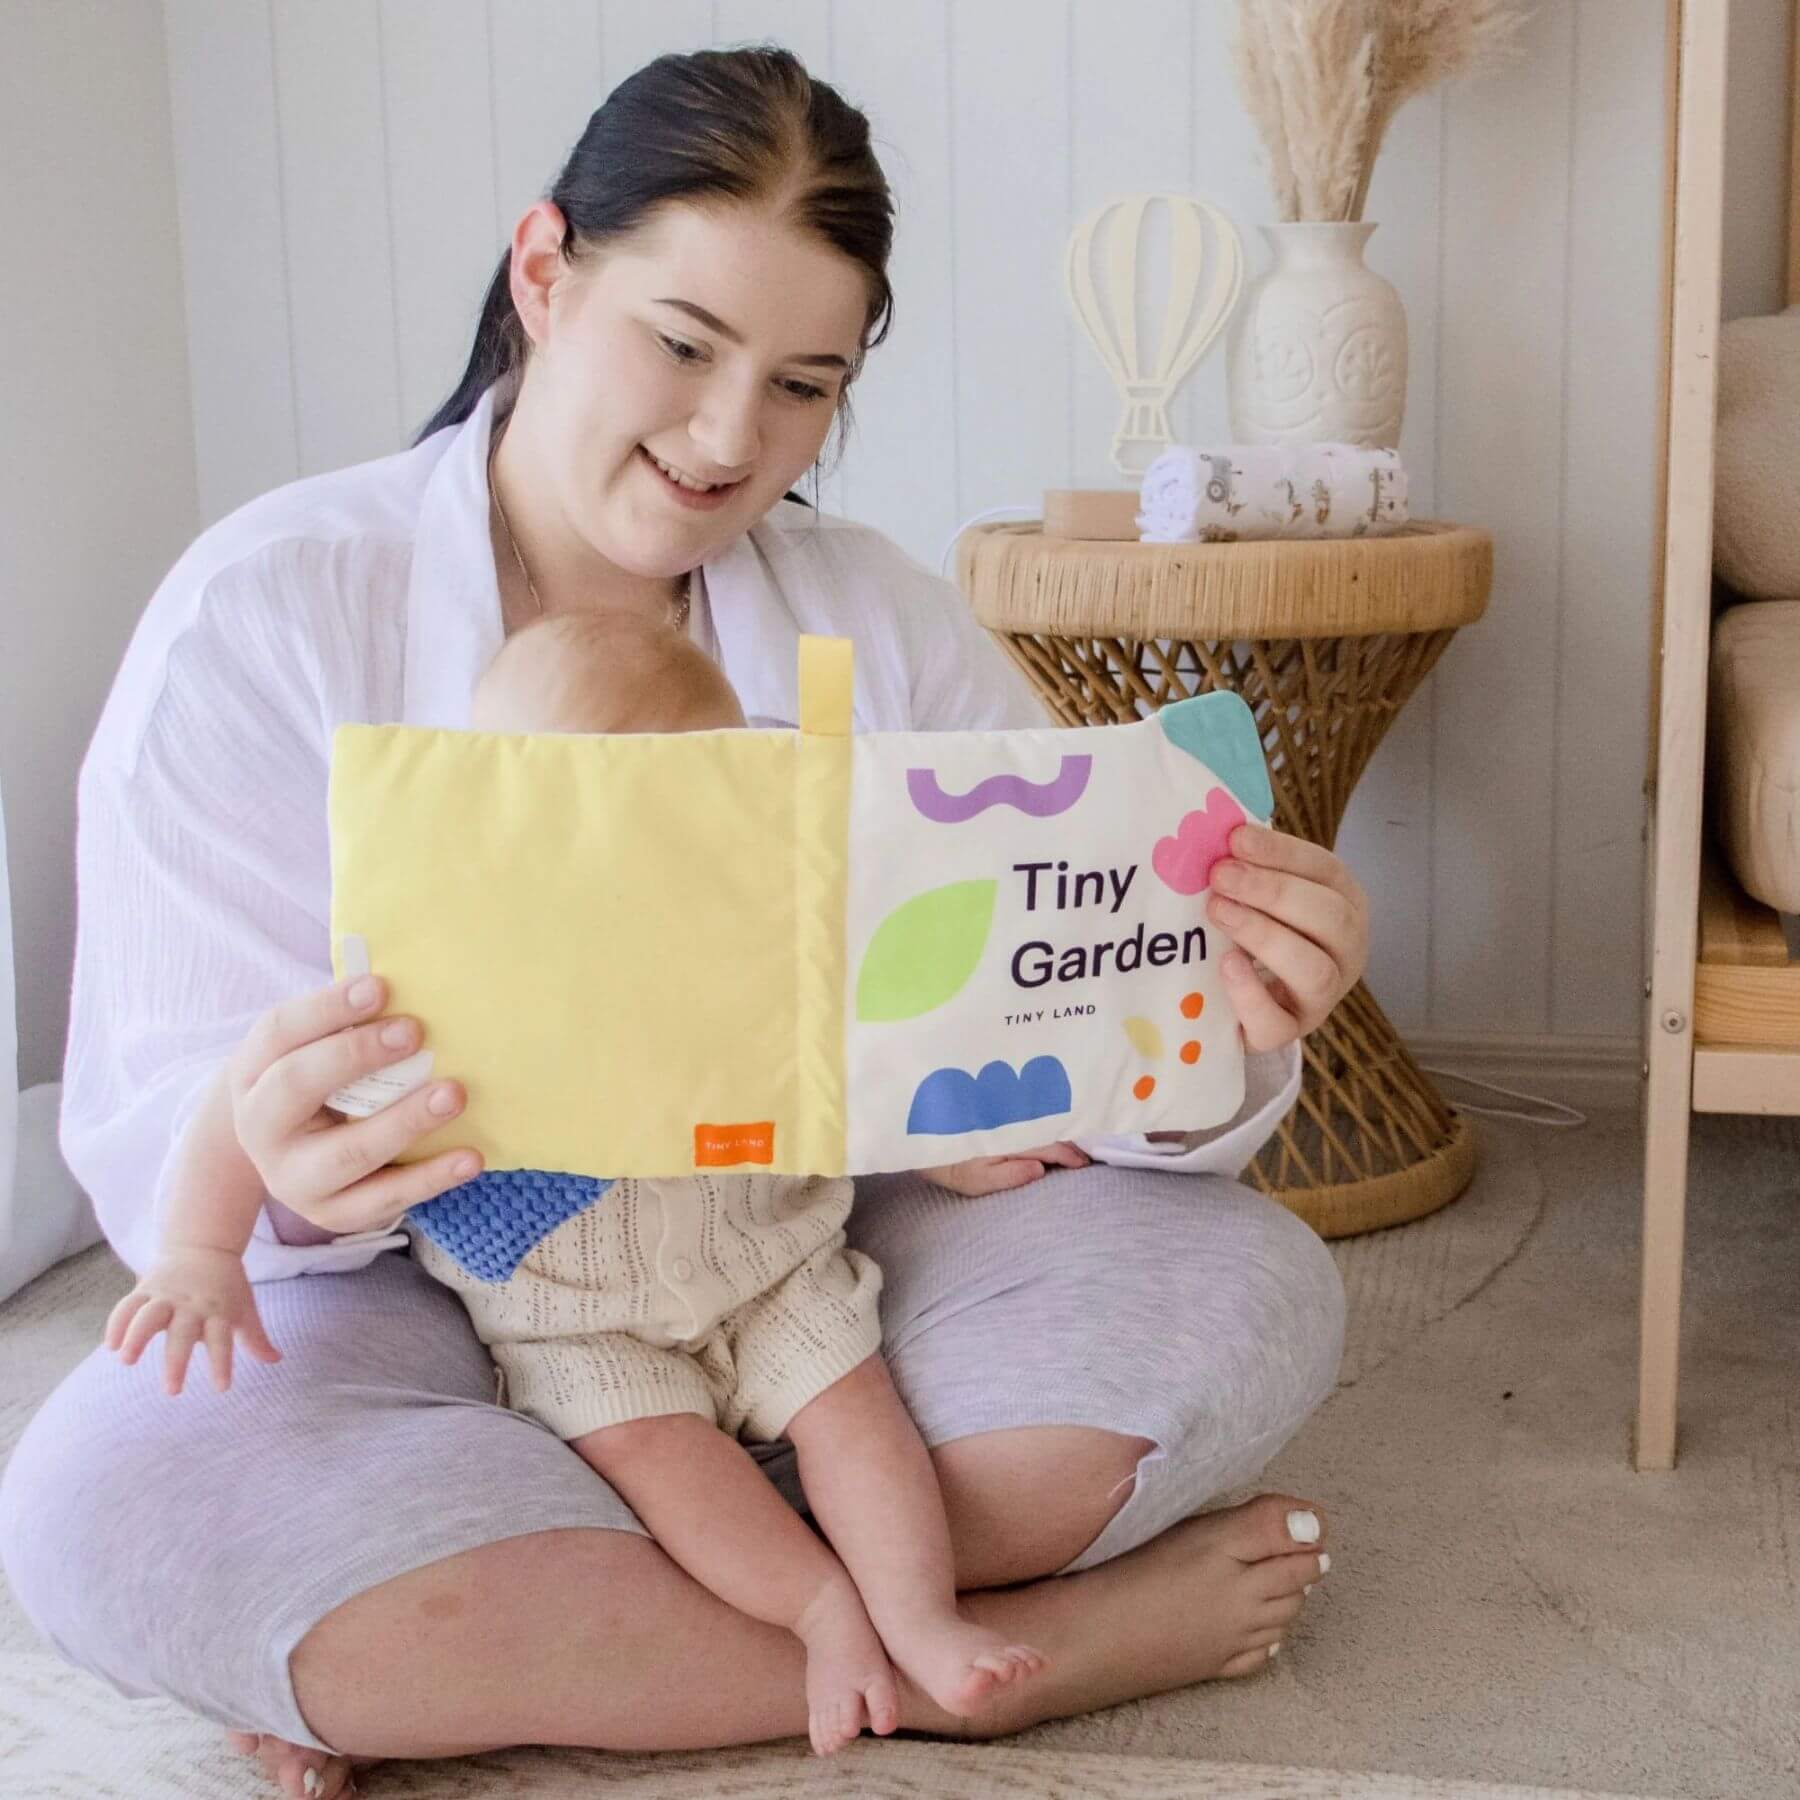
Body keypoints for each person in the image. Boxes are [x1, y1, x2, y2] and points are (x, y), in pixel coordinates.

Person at [0, 45, 1362, 1800]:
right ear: (544, 272)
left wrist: (1222, 1011)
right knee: (114, 1508)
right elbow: (160, 1137)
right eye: (683, 343)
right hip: (439, 1294)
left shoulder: (873, 613)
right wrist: (274, 1161)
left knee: (1240, 1288)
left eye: (804, 385)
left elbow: (1073, 1042)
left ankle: (502, 1634)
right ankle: (970, 1658)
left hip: (794, 1247)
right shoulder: (266, 615)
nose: (734, 440)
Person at [103, 610, 1052, 1759]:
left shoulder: (754, 938)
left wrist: (942, 1146)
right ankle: (819, 1611)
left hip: (773, 1263)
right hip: (572, 1319)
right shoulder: (433, 967)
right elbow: (248, 1091)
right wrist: (200, 1253)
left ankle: (921, 1616)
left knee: (862, 1424)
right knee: (669, 1468)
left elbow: (846, 1071)